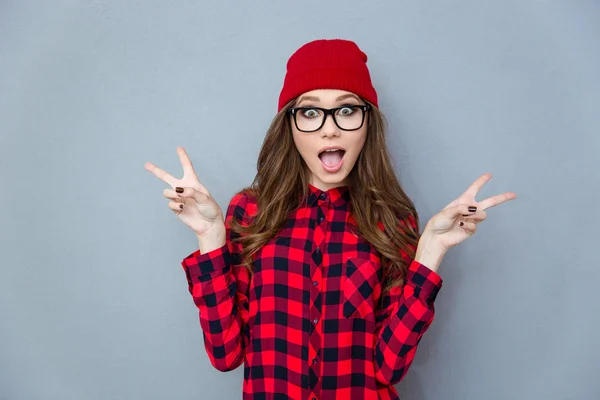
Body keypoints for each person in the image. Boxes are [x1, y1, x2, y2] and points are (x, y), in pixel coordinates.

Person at [144, 39, 516, 400]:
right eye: (309, 111)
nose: (329, 128)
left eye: (347, 109)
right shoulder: (250, 213)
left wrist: (431, 252)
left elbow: (389, 368)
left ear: (367, 122)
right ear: (288, 126)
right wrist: (210, 237)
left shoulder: (391, 218)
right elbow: (225, 355)